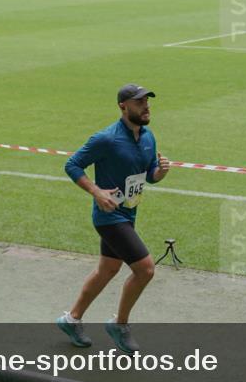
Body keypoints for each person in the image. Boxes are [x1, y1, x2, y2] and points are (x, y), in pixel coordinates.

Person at [57, 84, 169, 355]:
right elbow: (72, 164)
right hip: (109, 217)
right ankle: (120, 325)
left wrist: (159, 173)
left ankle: (71, 319)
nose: (146, 106)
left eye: (147, 101)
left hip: (128, 213)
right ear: (123, 106)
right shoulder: (106, 138)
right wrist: (96, 192)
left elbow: (148, 174)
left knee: (108, 269)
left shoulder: (148, 137)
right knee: (145, 269)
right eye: (139, 102)